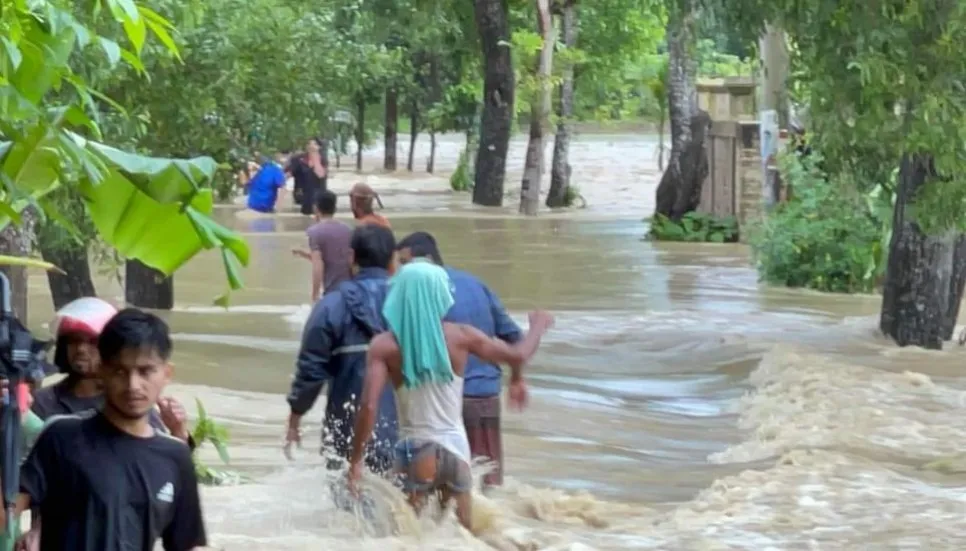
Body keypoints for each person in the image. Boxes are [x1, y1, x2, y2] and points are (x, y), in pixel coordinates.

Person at [346, 261, 554, 530]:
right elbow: (518, 355)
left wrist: (355, 461)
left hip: (416, 451)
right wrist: (538, 326)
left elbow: (369, 405)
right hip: (458, 452)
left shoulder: (384, 346)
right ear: (440, 295)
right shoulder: (462, 336)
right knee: (464, 536)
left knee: (405, 537)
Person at [8, 309, 207, 551]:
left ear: (166, 374)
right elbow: (7, 510)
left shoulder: (176, 456)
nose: (133, 385)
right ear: (102, 370)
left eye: (145, 371)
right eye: (120, 371)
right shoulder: (61, 436)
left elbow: (186, 545)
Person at [396, 231, 523, 489]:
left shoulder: (418, 295)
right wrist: (518, 379)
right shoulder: (476, 284)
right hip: (485, 398)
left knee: (432, 489)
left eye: (405, 263)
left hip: (440, 404)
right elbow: (513, 337)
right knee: (488, 484)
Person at [284, 225, 399, 473]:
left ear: (351, 257)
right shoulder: (411, 304)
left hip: (346, 430)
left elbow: (311, 369)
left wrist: (295, 417)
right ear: (393, 259)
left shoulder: (331, 305)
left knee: (347, 505)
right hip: (404, 435)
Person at [32, 298, 193, 447]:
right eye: (74, 341)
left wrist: (179, 432)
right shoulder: (42, 402)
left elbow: (160, 461)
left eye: (92, 342)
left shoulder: (127, 401)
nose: (81, 349)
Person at [291, 190, 353, 302]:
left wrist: (314, 295)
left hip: (332, 291)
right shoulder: (347, 229)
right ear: (335, 208)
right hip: (350, 289)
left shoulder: (314, 232)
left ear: (315, 208)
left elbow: (318, 265)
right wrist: (303, 253)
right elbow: (340, 259)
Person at [290, 138, 328, 216]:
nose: (311, 146)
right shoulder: (300, 159)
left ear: (319, 147)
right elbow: (289, 173)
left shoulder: (322, 160)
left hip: (318, 194)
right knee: (306, 216)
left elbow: (321, 175)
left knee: (318, 214)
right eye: (309, 144)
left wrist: (315, 159)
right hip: (305, 195)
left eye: (314, 144)